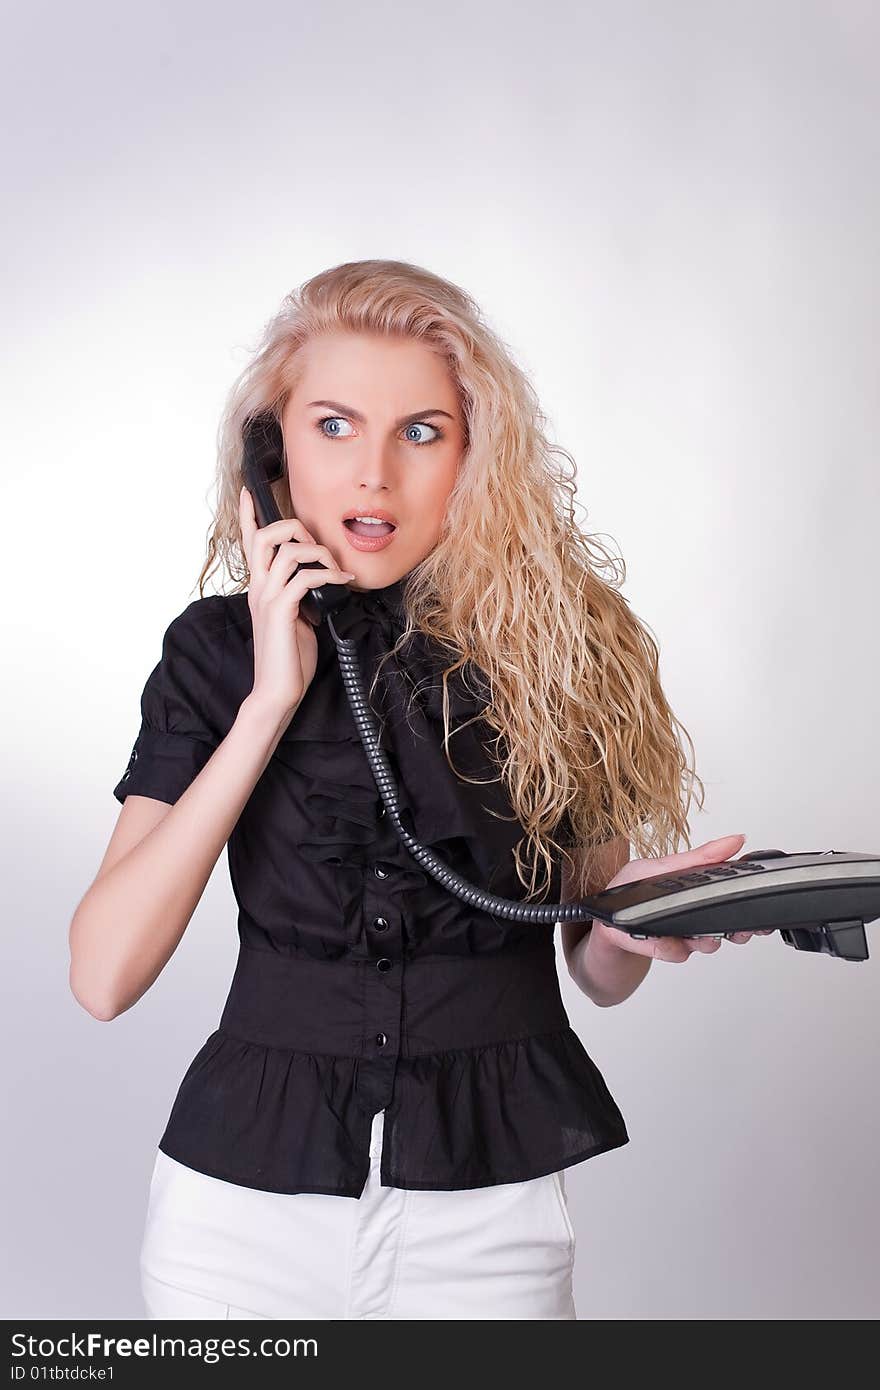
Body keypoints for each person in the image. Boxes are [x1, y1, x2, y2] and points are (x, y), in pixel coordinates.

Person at [69, 259, 771, 1321]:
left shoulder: (559, 648)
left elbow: (593, 964)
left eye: (422, 432)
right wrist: (268, 703)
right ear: (274, 451)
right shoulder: (215, 655)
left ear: (476, 452)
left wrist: (628, 924)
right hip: (239, 1217)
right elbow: (103, 974)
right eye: (335, 426)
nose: (373, 477)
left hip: (488, 1215)